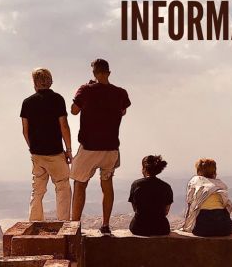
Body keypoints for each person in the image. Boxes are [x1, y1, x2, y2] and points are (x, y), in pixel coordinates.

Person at [70, 59, 131, 235]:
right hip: (111, 148)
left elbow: (74, 110)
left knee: (80, 184)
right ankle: (105, 225)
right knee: (107, 185)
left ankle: (75, 225)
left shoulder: (86, 89)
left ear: (94, 73)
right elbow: (123, 111)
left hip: (89, 147)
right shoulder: (120, 93)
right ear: (109, 73)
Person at [20, 68, 73, 221]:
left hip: (37, 154)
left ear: (35, 83)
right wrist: (68, 150)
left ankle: (35, 222)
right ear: (50, 81)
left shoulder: (27, 102)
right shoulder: (58, 99)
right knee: (62, 187)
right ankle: (64, 223)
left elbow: (25, 131)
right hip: (55, 152)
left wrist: (33, 148)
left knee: (37, 190)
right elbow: (64, 126)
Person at [182, 158, 232, 237]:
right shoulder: (220, 184)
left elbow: (190, 203)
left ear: (199, 171)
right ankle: (231, 228)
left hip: (201, 230)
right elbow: (226, 204)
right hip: (223, 228)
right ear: (214, 172)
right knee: (223, 215)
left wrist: (187, 225)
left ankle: (226, 228)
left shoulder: (194, 181)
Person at [128, 155, 173, 236]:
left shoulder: (136, 184)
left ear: (144, 169)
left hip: (139, 228)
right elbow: (166, 211)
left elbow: (135, 208)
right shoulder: (166, 186)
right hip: (161, 228)